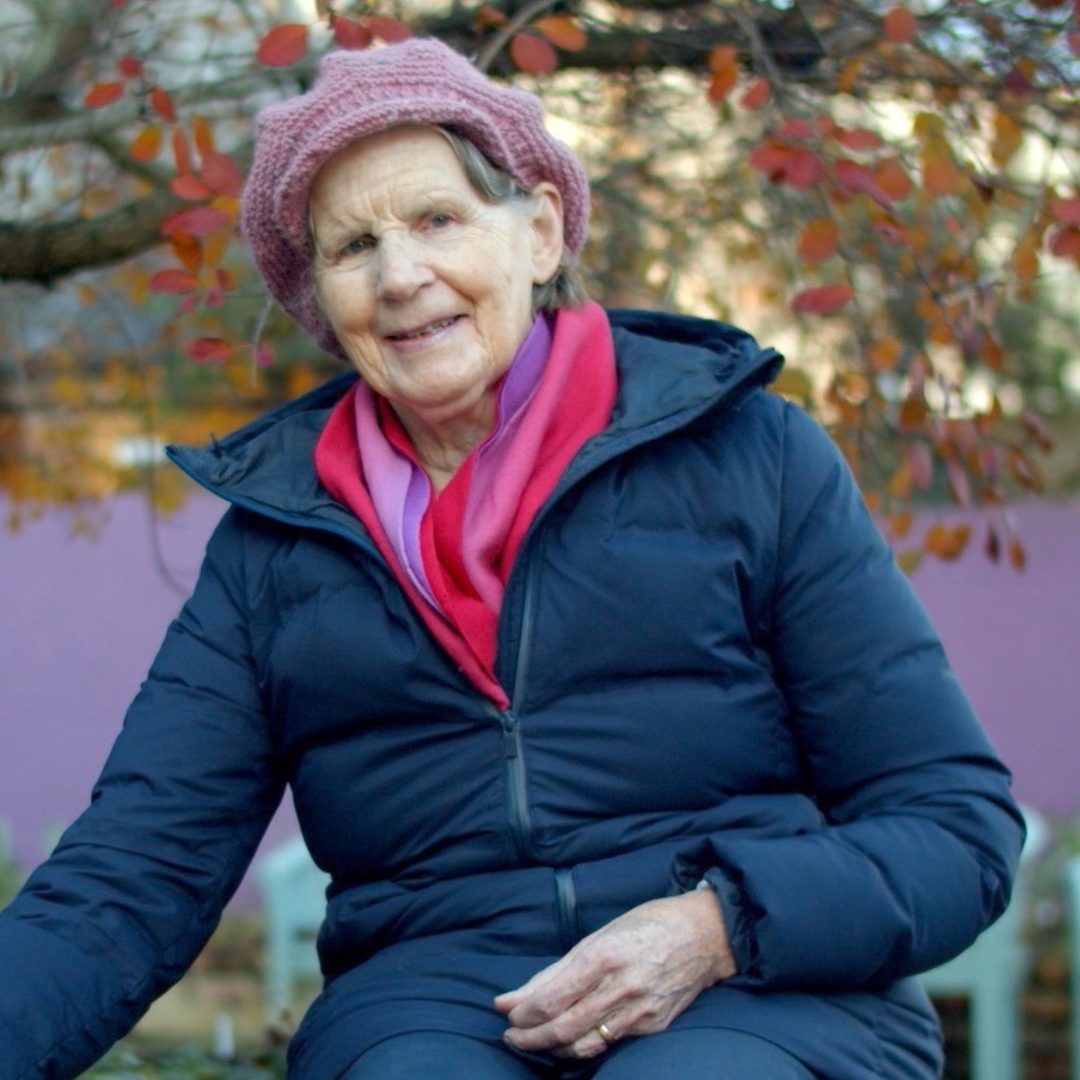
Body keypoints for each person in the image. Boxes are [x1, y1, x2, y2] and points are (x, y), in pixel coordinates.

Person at [0, 38, 1024, 1080]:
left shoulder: (753, 458)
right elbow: (134, 871)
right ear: (320, 302)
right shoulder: (275, 548)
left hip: (764, 988)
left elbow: (953, 827)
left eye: (437, 220)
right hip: (432, 998)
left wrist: (718, 926)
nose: (402, 276)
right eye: (352, 247)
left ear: (538, 231)